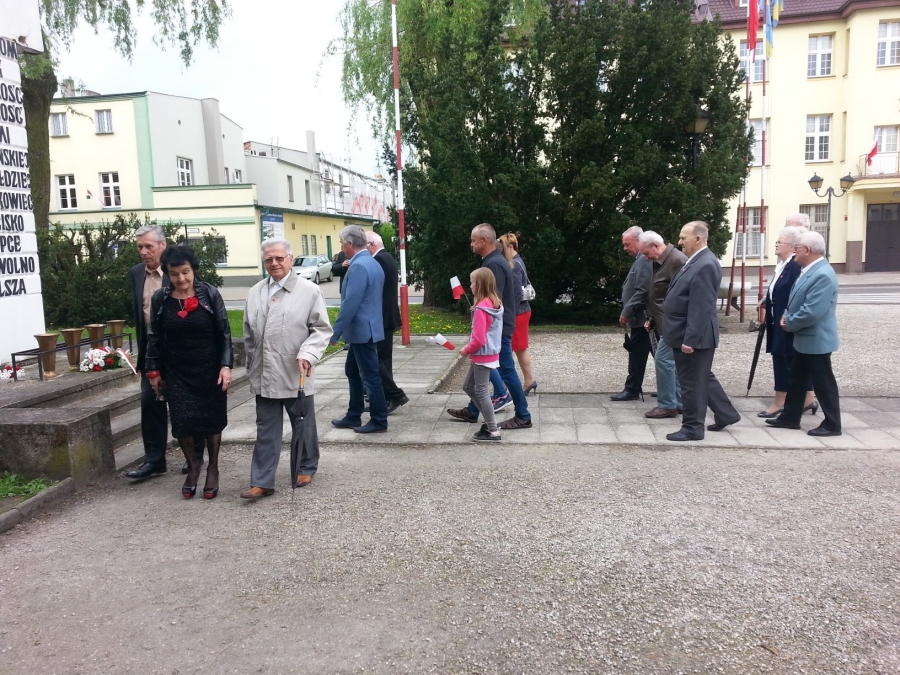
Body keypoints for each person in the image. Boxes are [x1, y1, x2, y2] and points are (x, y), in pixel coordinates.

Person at [239, 238, 333, 500]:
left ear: (290, 259)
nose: (274, 263)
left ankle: (306, 466)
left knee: (302, 423)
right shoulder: (255, 291)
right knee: (265, 429)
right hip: (264, 371)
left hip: (295, 369)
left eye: (280, 258)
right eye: (269, 259)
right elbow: (248, 333)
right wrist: (252, 363)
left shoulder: (309, 291)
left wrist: (308, 354)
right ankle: (262, 481)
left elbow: (321, 329)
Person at [145, 245, 233, 499]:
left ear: (193, 270)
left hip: (209, 368)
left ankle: (213, 467)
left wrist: (226, 366)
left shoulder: (209, 294)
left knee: (212, 419)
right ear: (167, 274)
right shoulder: (161, 299)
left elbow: (224, 333)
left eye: (185, 272)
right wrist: (153, 371)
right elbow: (154, 337)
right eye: (174, 274)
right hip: (177, 370)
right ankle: (193, 466)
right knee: (182, 421)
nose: (181, 278)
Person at [125, 226, 206, 482]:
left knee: (189, 405)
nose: (144, 252)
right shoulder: (136, 273)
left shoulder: (179, 271)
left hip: (183, 352)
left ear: (162, 245)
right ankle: (154, 460)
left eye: (148, 246)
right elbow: (141, 316)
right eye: (140, 247)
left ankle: (195, 456)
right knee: (151, 404)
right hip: (152, 352)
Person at [447, 223, 532, 430]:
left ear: (484, 241)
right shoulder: (493, 261)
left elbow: (494, 301)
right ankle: (473, 410)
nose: (471, 244)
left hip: (498, 329)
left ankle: (523, 415)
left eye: (473, 240)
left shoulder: (494, 264)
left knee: (506, 370)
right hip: (499, 327)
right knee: (482, 366)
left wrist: (480, 318)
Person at [662, 221, 740, 441]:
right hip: (685, 332)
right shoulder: (695, 260)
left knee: (691, 385)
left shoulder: (706, 263)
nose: (679, 242)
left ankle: (692, 427)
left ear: (698, 239)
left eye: (683, 237)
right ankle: (725, 414)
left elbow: (701, 306)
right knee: (700, 378)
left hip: (693, 336)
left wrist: (691, 340)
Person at [767, 231, 842, 437]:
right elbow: (795, 299)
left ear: (807, 250)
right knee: (797, 380)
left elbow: (812, 311)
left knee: (823, 383)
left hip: (816, 339)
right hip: (804, 339)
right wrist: (786, 314)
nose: (794, 252)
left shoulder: (822, 274)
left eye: (797, 248)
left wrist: (790, 322)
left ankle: (832, 424)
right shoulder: (809, 270)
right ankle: (790, 417)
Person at [330, 225, 389, 434]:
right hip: (366, 328)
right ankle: (353, 414)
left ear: (349, 244)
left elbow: (350, 303)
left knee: (370, 376)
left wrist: (335, 332)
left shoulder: (358, 266)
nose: (341, 247)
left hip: (362, 330)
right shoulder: (372, 262)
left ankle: (379, 420)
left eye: (341, 243)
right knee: (353, 371)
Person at [758, 218, 818, 418]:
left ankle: (780, 401)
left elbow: (795, 294)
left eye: (780, 242)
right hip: (779, 319)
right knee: (789, 360)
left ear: (793, 247)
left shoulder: (793, 266)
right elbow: (778, 289)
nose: (776, 244)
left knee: (783, 359)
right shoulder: (784, 265)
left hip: (786, 321)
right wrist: (768, 300)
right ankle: (808, 398)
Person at [638, 230, 686, 419]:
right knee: (670, 362)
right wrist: (651, 317)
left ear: (656, 246)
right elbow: (659, 293)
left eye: (646, 253)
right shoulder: (661, 261)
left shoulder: (676, 260)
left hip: (672, 322)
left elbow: (682, 295)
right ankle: (679, 402)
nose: (645, 257)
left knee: (664, 360)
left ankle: (667, 405)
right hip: (663, 320)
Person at [365, 231, 409, 413]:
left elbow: (376, 290)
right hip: (386, 316)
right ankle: (385, 396)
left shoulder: (379, 260)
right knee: (383, 360)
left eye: (364, 246)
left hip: (381, 318)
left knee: (378, 360)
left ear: (371, 245)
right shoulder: (387, 257)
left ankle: (394, 395)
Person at [461, 268, 504, 442]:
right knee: (468, 387)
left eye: (472, 282)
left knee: (481, 391)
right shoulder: (493, 304)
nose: (470, 286)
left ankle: (492, 430)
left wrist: (466, 350)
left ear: (479, 285)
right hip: (489, 353)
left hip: (482, 354)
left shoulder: (481, 309)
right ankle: (490, 421)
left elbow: (479, 339)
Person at [611, 226, 652, 401]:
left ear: (638, 240)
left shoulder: (644, 259)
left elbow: (643, 290)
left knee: (637, 353)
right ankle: (670, 388)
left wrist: (627, 311)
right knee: (653, 354)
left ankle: (632, 389)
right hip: (641, 318)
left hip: (642, 318)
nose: (625, 248)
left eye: (628, 244)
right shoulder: (640, 259)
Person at [500, 232, 536, 395]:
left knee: (518, 348)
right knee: (520, 347)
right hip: (521, 311)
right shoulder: (518, 261)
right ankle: (528, 380)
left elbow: (514, 294)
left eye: (502, 248)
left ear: (510, 247)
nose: (500, 251)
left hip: (517, 313)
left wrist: (508, 316)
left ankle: (528, 380)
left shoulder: (513, 264)